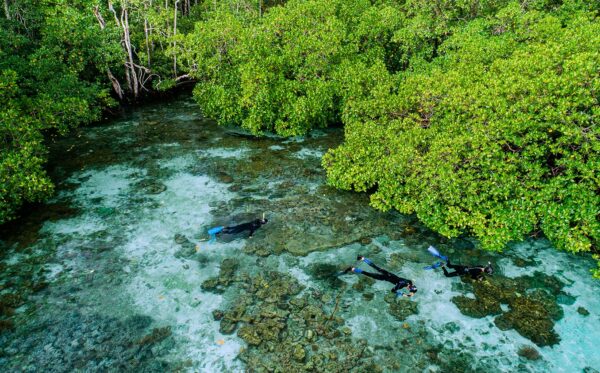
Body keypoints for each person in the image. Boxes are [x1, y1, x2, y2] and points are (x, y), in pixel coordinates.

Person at [343, 256, 417, 297]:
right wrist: (404, 295)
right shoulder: (400, 285)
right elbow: (393, 291)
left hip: (388, 273)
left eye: (410, 288)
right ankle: (352, 269)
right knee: (368, 274)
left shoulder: (409, 282)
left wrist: (411, 293)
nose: (409, 288)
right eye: (409, 288)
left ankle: (363, 258)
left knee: (375, 267)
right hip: (384, 277)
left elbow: (411, 282)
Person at [426, 245, 493, 281]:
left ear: (486, 267)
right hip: (462, 272)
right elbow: (472, 277)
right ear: (486, 272)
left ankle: (447, 259)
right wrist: (478, 278)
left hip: (462, 267)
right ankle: (442, 265)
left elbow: (475, 268)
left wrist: (489, 264)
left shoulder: (480, 266)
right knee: (447, 275)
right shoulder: (478, 272)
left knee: (449, 266)